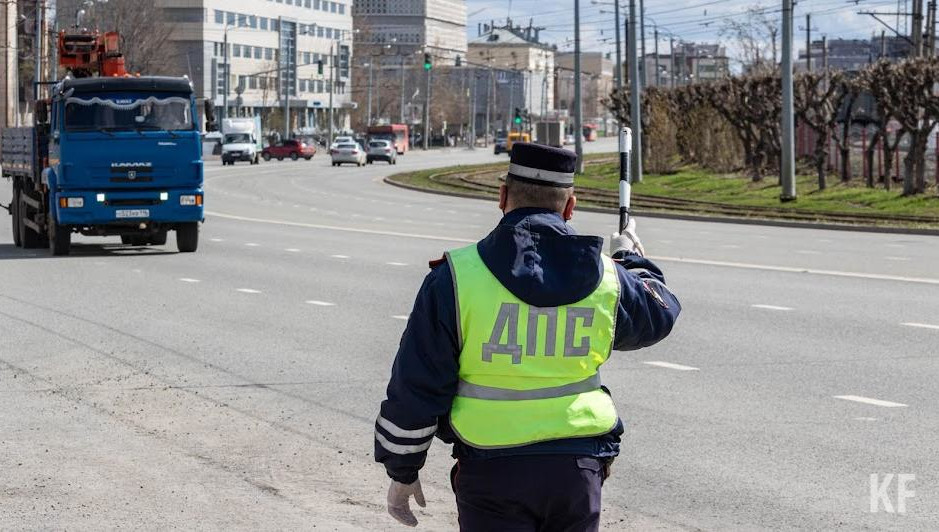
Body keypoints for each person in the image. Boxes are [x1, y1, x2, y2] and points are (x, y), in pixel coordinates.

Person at [374, 142, 681, 531]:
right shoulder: (607, 278)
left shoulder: (455, 278)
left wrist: (403, 470)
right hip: (578, 469)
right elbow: (659, 313)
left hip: (491, 471)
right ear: (570, 207)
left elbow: (417, 385)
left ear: (502, 197)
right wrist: (633, 259)